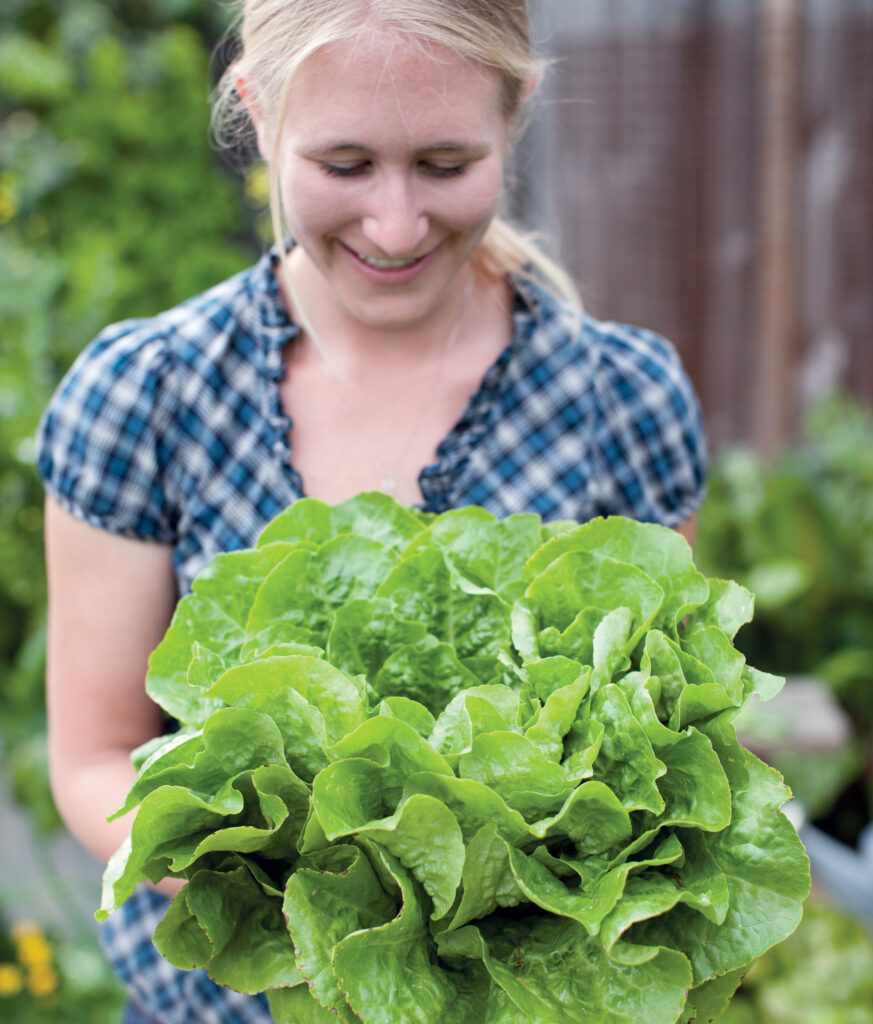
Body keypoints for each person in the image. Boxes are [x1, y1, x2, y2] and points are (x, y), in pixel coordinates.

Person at [37, 2, 707, 1022]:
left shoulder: (623, 400)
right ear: (258, 117)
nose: (395, 226)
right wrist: (306, 901)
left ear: (516, 114)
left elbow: (668, 745)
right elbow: (92, 758)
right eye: (345, 166)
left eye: (444, 165)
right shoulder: (148, 396)